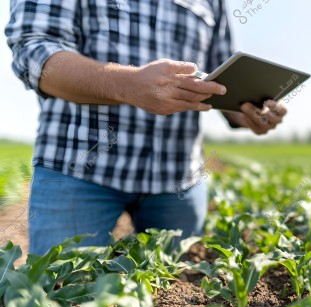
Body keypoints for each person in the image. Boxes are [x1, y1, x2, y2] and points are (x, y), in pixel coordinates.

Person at [5, 0, 286, 255]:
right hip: (77, 170)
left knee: (177, 290)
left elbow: (221, 77)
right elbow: (34, 50)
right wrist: (128, 85)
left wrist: (249, 111)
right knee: (61, 292)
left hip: (178, 179)